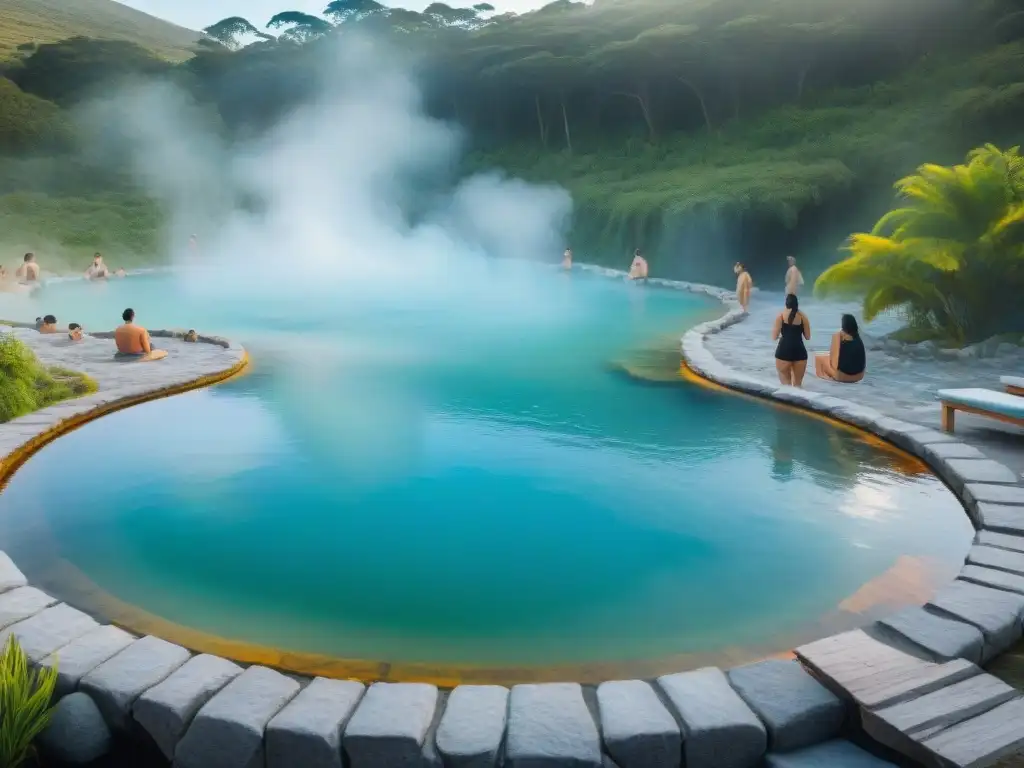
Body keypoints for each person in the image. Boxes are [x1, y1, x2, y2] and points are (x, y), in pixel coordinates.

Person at [815, 314, 866, 383]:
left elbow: (833, 364)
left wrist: (836, 339)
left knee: (818, 358)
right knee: (825, 357)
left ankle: (824, 379)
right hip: (859, 377)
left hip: (842, 377)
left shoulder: (837, 336)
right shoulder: (858, 338)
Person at [772, 293, 810, 387]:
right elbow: (808, 337)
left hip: (783, 352)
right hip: (800, 352)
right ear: (797, 304)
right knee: (797, 386)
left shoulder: (780, 316)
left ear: (786, 304)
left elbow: (774, 337)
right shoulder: (803, 317)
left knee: (786, 387)